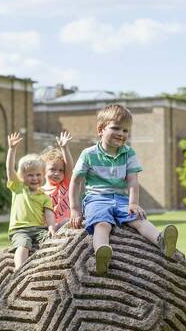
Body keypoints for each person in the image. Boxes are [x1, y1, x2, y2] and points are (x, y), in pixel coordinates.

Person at [68, 104, 178, 275]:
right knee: (102, 224)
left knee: (139, 219)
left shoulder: (129, 153)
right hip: (96, 198)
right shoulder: (88, 154)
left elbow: (133, 181)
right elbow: (76, 181)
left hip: (121, 198)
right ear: (101, 129)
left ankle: (161, 240)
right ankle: (102, 253)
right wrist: (74, 209)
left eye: (126, 131)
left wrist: (133, 203)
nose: (121, 134)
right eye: (116, 128)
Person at [6, 132, 56, 269]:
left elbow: (49, 214)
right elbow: (10, 170)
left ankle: (47, 267)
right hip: (20, 229)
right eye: (30, 175)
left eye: (38, 175)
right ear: (22, 176)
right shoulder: (18, 187)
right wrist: (12, 149)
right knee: (23, 245)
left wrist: (51, 227)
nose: (34, 178)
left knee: (52, 242)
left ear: (43, 175)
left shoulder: (44, 197)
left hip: (39, 229)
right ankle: (20, 270)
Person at [41, 130, 75, 230]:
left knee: (67, 221)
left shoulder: (65, 184)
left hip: (67, 224)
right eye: (52, 169)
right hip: (49, 227)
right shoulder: (39, 191)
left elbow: (69, 166)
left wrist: (64, 148)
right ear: (43, 170)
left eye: (61, 170)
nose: (57, 173)